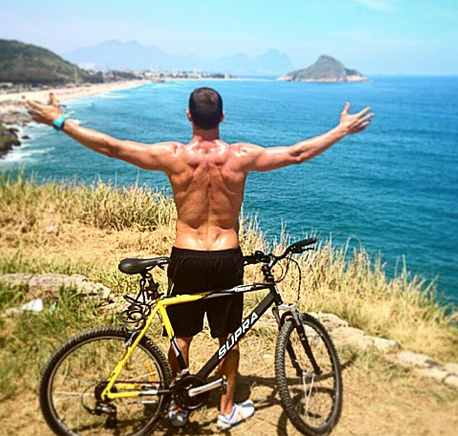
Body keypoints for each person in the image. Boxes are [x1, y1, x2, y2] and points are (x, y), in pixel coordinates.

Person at [26, 87, 373, 430]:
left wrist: (59, 121)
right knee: (229, 338)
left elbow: (112, 147)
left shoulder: (173, 155)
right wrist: (342, 129)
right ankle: (226, 411)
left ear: (189, 116)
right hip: (225, 257)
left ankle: (179, 406)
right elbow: (297, 153)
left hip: (186, 255)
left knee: (181, 336)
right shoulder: (241, 155)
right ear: (222, 116)